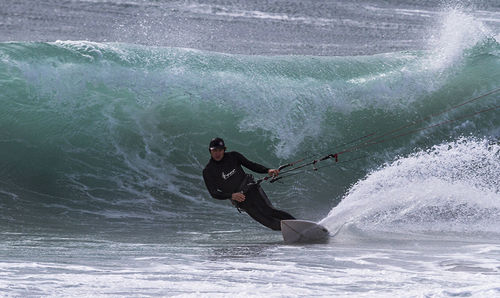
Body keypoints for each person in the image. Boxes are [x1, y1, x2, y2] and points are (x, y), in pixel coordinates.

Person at [203, 137, 295, 230]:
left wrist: (267, 170)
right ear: (210, 151)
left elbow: (251, 165)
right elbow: (213, 193)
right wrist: (231, 195)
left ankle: (298, 224)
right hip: (241, 200)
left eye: (220, 150)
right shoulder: (208, 171)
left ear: (224, 150)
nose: (217, 153)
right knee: (268, 222)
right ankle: (293, 232)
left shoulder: (234, 156)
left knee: (269, 211)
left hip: (251, 189)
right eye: (214, 150)